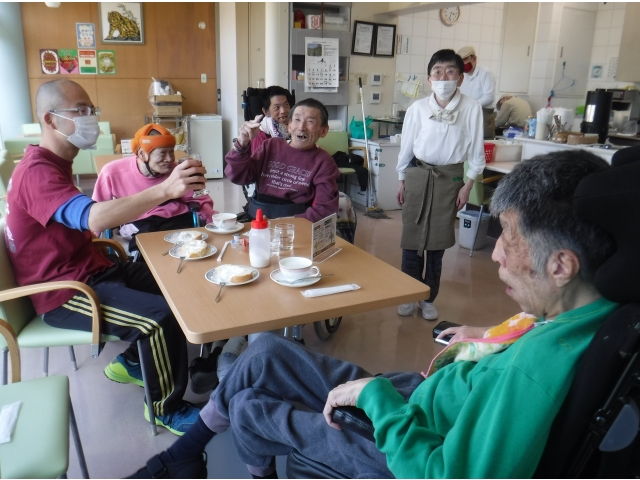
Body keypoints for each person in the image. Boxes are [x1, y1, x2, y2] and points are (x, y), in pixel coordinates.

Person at [129, 150, 617, 479]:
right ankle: (185, 455)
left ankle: (242, 466)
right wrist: (488, 337)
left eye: (508, 238)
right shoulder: (586, 311)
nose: (495, 255)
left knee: (250, 407)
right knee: (266, 351)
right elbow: (527, 347)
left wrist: (375, 398)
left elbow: (443, 472)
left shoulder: (534, 374)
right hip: (416, 398)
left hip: (403, 446)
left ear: (561, 265)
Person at [4, 79, 206, 435]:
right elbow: (95, 219)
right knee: (159, 318)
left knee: (177, 282)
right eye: (80, 111)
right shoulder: (36, 171)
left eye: (91, 110)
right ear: (50, 120)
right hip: (65, 293)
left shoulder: (55, 163)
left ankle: (133, 362)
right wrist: (165, 189)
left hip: (93, 270)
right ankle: (164, 409)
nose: (91, 118)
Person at [396, 49, 485, 321]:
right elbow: (406, 146)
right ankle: (408, 293)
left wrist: (467, 186)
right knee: (411, 238)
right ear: (429, 78)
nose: (443, 77)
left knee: (437, 241)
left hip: (451, 178)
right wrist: (401, 179)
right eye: (437, 72)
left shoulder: (471, 107)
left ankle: (428, 298)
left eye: (450, 71)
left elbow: (477, 152)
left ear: (460, 78)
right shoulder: (418, 109)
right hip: (418, 174)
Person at [92, 124, 216, 258]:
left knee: (191, 249)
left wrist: (214, 222)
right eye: (162, 153)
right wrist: (93, 242)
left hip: (177, 219)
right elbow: (95, 214)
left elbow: (199, 199)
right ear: (141, 153)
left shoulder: (177, 171)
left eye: (171, 152)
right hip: (140, 224)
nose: (170, 159)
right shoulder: (112, 172)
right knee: (146, 252)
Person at [225, 98, 340, 223]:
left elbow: (325, 210)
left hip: (294, 227)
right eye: (297, 120)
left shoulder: (324, 162)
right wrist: (242, 143)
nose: (301, 127)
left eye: (310, 121)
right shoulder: (271, 146)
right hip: (256, 220)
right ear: (289, 126)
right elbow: (238, 176)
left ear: (323, 131)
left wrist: (282, 223)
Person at [457, 45, 497, 139]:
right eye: (461, 61)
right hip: (466, 113)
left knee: (483, 141)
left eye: (465, 59)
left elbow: (489, 97)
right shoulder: (463, 75)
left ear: (474, 59)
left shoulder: (485, 73)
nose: (463, 64)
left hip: (483, 113)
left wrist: (471, 105)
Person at [250, 86, 294, 154]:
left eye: (286, 105)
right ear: (265, 112)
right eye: (277, 107)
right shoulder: (261, 135)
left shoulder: (297, 127)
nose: (283, 111)